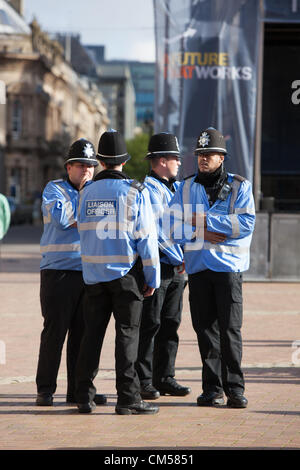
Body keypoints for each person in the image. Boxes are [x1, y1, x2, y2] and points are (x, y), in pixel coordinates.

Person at [166, 127, 256, 408]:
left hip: (228, 269)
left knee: (230, 330)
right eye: (200, 154)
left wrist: (198, 221)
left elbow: (245, 224)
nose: (203, 158)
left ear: (222, 157)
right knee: (205, 330)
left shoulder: (241, 186)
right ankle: (211, 388)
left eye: (209, 154)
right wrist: (203, 231)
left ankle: (235, 389)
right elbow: (170, 224)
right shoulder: (185, 186)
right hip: (199, 269)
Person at [75, 130, 161, 415]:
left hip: (93, 277)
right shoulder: (135, 191)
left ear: (99, 161)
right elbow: (146, 240)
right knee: (127, 336)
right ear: (124, 161)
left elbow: (82, 232)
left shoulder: (85, 192)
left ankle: (84, 396)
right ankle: (127, 399)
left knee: (91, 336)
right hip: (125, 276)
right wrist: (152, 278)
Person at [35, 138, 106, 407]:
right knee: (55, 332)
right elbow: (65, 220)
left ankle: (78, 390)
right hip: (59, 273)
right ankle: (45, 390)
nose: (86, 170)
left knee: (82, 335)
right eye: (80, 165)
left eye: (90, 165)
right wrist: (91, 206)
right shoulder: (54, 189)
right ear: (68, 167)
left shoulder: (96, 190)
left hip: (88, 272)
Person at [136, 133, 191, 399]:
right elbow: (154, 232)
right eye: (175, 158)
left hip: (178, 267)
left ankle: (165, 376)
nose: (179, 162)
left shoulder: (177, 188)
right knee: (150, 324)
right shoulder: (147, 191)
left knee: (171, 323)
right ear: (161, 160)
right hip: (159, 264)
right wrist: (179, 256)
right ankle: (143, 379)